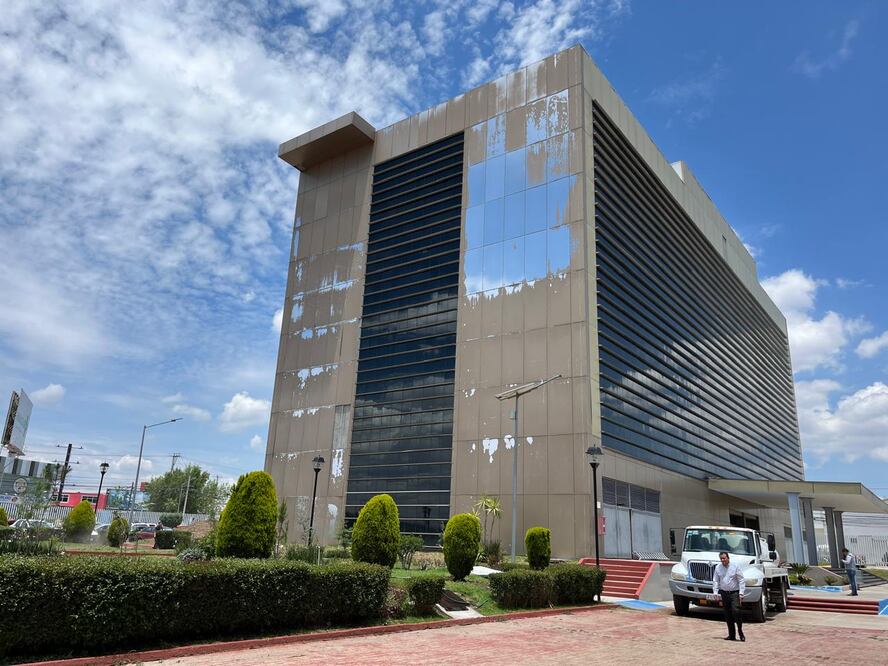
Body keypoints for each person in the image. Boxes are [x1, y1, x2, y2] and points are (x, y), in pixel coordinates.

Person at [711, 550, 746, 642]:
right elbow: (715, 580)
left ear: (728, 558)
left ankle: (740, 631)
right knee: (727, 614)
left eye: (724, 558)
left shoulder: (735, 566)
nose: (723, 560)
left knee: (736, 611)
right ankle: (731, 635)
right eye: (721, 559)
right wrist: (715, 592)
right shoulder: (718, 568)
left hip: (734, 593)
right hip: (724, 593)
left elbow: (741, 580)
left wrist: (741, 593)